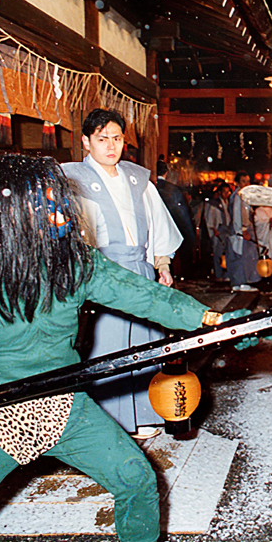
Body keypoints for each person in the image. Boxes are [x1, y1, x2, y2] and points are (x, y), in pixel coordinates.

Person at [0, 154, 225, 542]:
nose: (56, 212)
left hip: (62, 407)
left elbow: (142, 294)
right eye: (42, 203)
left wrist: (206, 321)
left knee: (136, 478)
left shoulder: (71, 264)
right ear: (8, 213)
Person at [62, 108, 183, 439]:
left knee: (144, 344)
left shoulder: (137, 179)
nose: (110, 146)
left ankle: (146, 415)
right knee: (109, 347)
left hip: (140, 270)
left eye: (116, 138)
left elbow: (158, 225)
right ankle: (112, 424)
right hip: (102, 273)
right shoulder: (73, 181)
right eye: (102, 139)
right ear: (86, 142)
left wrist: (162, 264)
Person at [155, 161, 196, 277]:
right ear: (167, 172)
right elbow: (182, 214)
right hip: (172, 227)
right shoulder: (172, 190)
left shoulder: (150, 186)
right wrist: (190, 235)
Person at [227, 172, 261, 292]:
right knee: (241, 257)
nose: (246, 184)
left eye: (247, 181)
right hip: (241, 232)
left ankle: (238, 282)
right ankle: (241, 282)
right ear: (237, 183)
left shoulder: (241, 196)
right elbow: (238, 215)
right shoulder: (239, 197)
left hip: (240, 231)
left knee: (239, 256)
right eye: (243, 181)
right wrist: (243, 230)